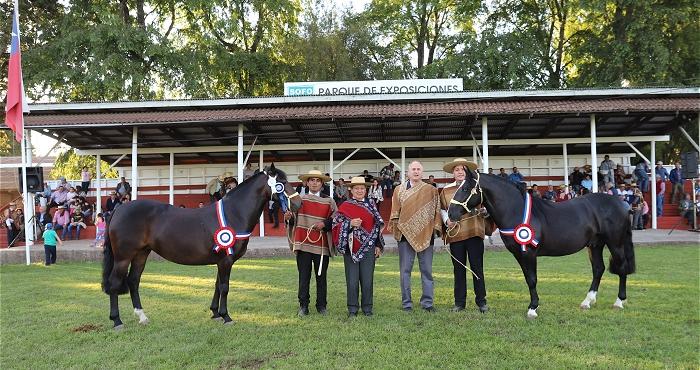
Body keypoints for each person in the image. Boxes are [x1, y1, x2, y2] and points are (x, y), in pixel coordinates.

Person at [389, 160, 441, 313]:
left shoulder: (431, 190)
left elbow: (436, 211)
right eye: (413, 169)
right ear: (408, 172)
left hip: (426, 234)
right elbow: (394, 211)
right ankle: (406, 303)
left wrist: (434, 229)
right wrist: (397, 228)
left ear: (422, 172)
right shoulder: (399, 190)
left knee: (427, 270)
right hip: (405, 235)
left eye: (419, 169)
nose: (416, 171)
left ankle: (427, 303)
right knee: (405, 271)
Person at [439, 158, 490, 313]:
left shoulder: (477, 187)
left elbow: (488, 205)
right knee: (458, 269)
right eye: (457, 169)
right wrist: (447, 220)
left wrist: (485, 212)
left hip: (474, 231)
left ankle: (481, 301)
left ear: (467, 172)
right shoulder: (446, 190)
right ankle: (459, 302)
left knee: (477, 268)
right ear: (453, 173)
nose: (460, 172)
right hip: (456, 234)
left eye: (463, 169)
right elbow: (442, 209)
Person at [285, 170, 338, 316]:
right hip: (303, 243)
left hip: (321, 245)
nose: (314, 182)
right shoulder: (299, 201)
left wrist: (325, 224)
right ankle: (303, 306)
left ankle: (321, 306)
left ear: (322, 183)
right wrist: (288, 217)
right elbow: (292, 220)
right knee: (304, 276)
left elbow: (336, 219)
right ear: (306, 183)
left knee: (321, 277)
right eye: (312, 180)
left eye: (318, 180)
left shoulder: (329, 201)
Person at [332, 176, 384, 317]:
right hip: (350, 249)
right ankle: (352, 309)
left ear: (365, 190)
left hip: (369, 249)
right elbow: (335, 224)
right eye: (356, 188)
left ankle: (367, 308)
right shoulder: (345, 206)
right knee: (352, 281)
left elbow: (378, 226)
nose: (360, 191)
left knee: (367, 280)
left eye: (362, 188)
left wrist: (378, 245)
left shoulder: (372, 204)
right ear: (351, 190)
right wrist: (349, 224)